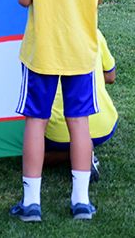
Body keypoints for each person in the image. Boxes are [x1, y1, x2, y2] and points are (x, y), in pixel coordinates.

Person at [9, 0, 110, 222]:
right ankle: (81, 200)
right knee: (78, 122)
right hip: (81, 53)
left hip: (43, 52)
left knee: (35, 122)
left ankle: (31, 202)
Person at [45, 28, 118, 182]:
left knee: (34, 151)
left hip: (58, 131)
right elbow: (110, 76)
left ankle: (75, 153)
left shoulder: (42, 36)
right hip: (102, 123)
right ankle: (85, 151)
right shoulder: (94, 32)